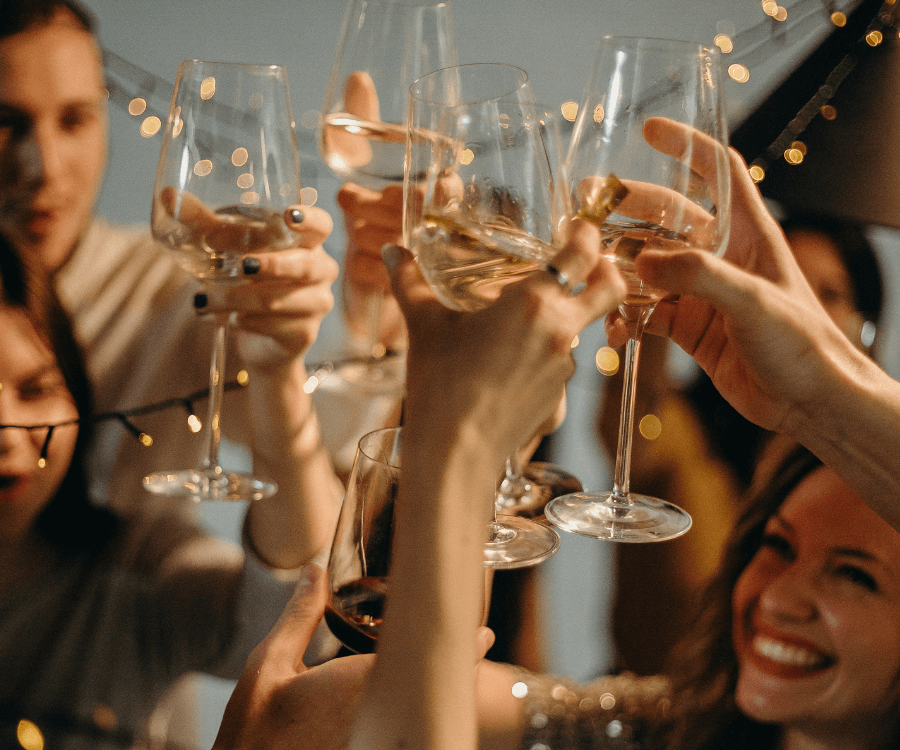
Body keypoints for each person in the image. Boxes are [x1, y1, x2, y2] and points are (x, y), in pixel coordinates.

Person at [205, 116, 900, 750]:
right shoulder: (667, 729)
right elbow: (377, 696)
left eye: (857, 577)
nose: (777, 597)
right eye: (775, 546)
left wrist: (465, 443)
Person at [0, 0, 346, 742]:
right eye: (6, 121)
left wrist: (289, 361)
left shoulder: (181, 293)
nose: (42, 167)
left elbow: (296, 615)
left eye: (75, 119)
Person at [0, 236, 335, 749]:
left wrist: (277, 375)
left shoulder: (136, 567)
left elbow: (294, 629)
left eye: (35, 390)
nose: (7, 434)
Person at [600, 210, 885, 676]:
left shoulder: (869, 482)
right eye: (777, 288)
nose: (797, 312)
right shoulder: (682, 432)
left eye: (828, 295)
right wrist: (649, 293)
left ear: (866, 330)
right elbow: (629, 432)